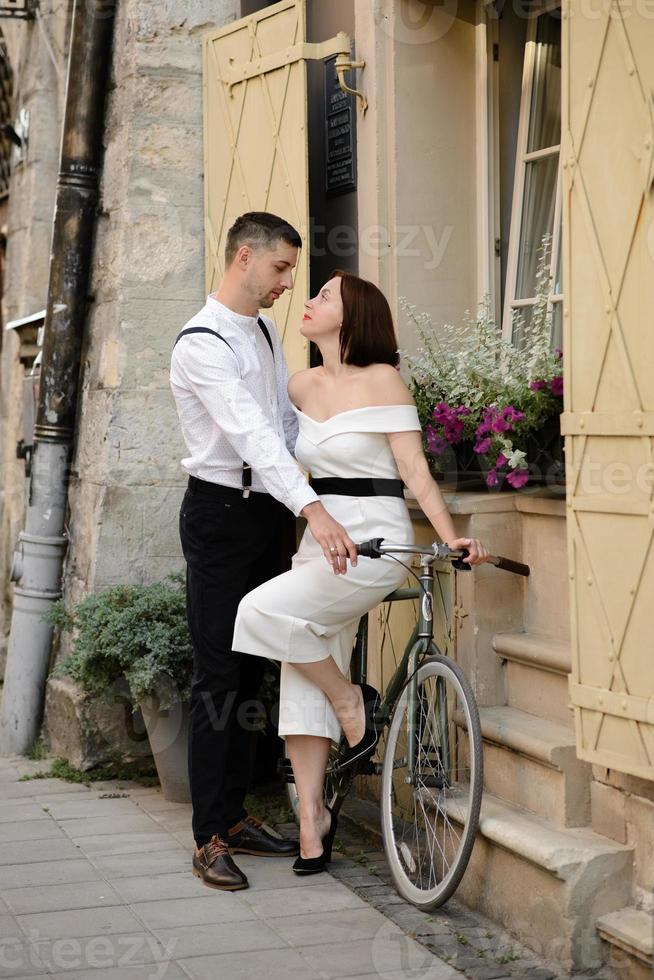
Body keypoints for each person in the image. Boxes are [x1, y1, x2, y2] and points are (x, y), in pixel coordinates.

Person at [233, 269, 489, 874]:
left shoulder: (383, 380)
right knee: (301, 672)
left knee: (258, 612)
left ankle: (351, 702)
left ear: (350, 317)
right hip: (317, 547)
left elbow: (415, 473)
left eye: (324, 294)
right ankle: (312, 824)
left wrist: (451, 538)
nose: (310, 298)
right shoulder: (297, 386)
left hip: (374, 545)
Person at [170, 213, 359, 892]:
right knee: (219, 673)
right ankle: (209, 837)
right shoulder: (200, 343)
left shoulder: (263, 330)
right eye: (280, 268)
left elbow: (283, 424)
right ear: (244, 257)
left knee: (256, 671)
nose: (287, 283)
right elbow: (251, 434)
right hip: (221, 515)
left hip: (269, 518)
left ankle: (238, 812)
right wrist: (312, 506)